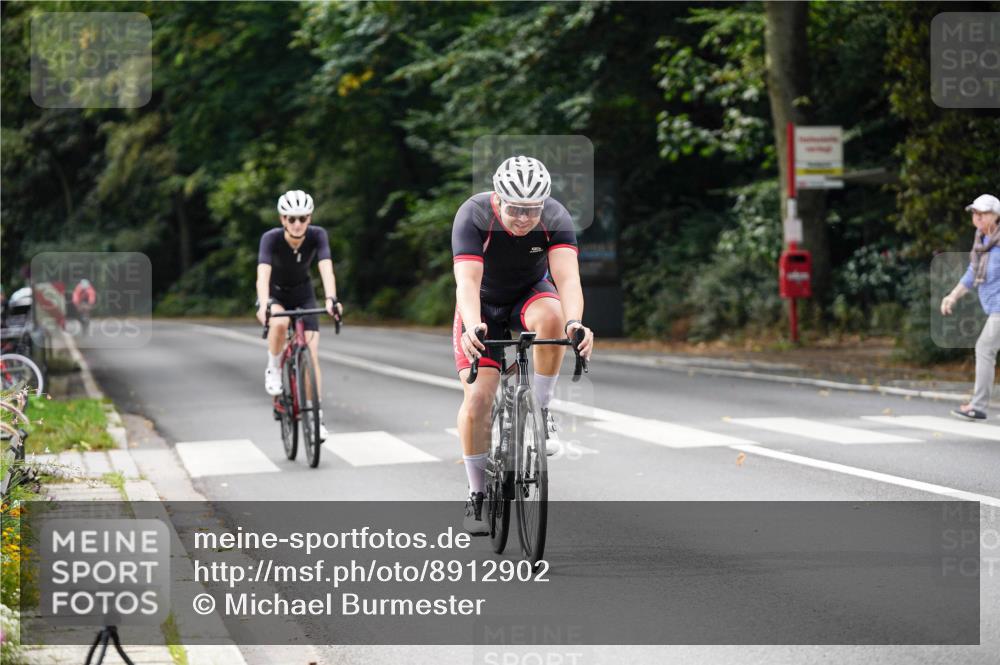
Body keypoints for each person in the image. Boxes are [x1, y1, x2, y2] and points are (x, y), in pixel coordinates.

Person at [452, 155, 595, 534]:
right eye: (515, 208)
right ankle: (477, 493)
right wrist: (472, 326)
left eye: (532, 210)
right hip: (482, 304)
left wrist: (575, 323)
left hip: (528, 295)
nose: (523, 218)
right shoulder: (474, 215)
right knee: (478, 399)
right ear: (498, 199)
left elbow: (568, 279)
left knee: (554, 317)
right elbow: (467, 282)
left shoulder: (555, 217)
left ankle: (542, 409)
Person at [255, 190, 343, 441]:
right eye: (291, 219)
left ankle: (316, 418)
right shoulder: (270, 239)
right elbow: (262, 274)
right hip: (275, 294)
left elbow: (326, 268)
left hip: (303, 294)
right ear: (282, 219)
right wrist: (264, 304)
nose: (297, 224)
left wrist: (331, 299)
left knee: (311, 354)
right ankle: (273, 367)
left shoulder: (317, 235)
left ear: (309, 218)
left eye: (302, 218)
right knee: (280, 323)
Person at [940, 193, 1000, 421]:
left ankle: (978, 406)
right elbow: (972, 273)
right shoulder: (981, 242)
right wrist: (952, 296)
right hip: (993, 307)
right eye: (975, 213)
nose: (977, 217)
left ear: (996, 215)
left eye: (983, 213)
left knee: (985, 347)